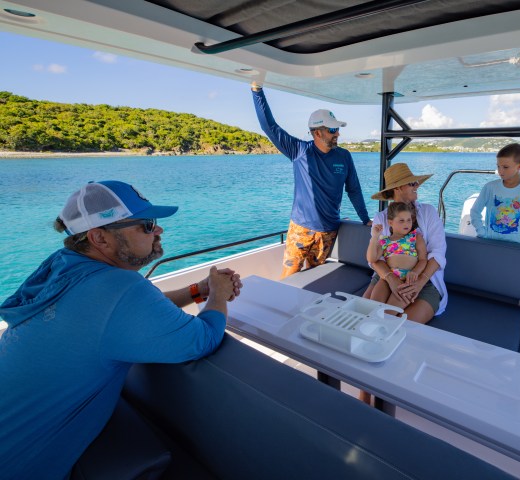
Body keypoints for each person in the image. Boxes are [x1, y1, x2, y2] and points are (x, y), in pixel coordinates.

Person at [0, 180, 242, 479]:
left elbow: (127, 310)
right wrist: (219, 294)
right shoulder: (119, 288)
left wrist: (198, 291)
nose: (159, 231)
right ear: (99, 238)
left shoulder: (64, 266)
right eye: (146, 225)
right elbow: (202, 340)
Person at [251, 81, 371, 278]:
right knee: (289, 280)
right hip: (301, 230)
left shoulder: (344, 156)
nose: (338, 133)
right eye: (333, 130)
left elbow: (354, 190)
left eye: (337, 129)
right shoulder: (299, 151)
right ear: (317, 133)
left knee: (315, 280)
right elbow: (269, 127)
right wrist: (257, 91)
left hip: (328, 231)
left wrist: (365, 219)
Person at [364, 163, 448, 324]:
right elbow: (375, 259)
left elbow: (437, 252)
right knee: (365, 317)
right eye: (412, 183)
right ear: (398, 188)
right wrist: (391, 280)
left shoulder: (428, 212)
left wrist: (419, 282)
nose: (417, 185)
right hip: (387, 277)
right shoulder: (381, 218)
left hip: (426, 280)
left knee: (400, 327)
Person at [470, 143, 520, 245]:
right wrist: (482, 233)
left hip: (518, 245)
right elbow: (475, 211)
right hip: (491, 242)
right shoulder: (490, 187)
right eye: (498, 166)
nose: (500, 171)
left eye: (505, 167)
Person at [366, 202, 427, 308]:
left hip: (408, 281)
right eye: (401, 221)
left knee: (389, 312)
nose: (406, 224)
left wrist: (415, 272)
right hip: (387, 278)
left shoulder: (416, 237)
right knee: (373, 307)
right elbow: (372, 259)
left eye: (409, 220)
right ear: (390, 222)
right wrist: (375, 238)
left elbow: (423, 260)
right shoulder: (384, 241)